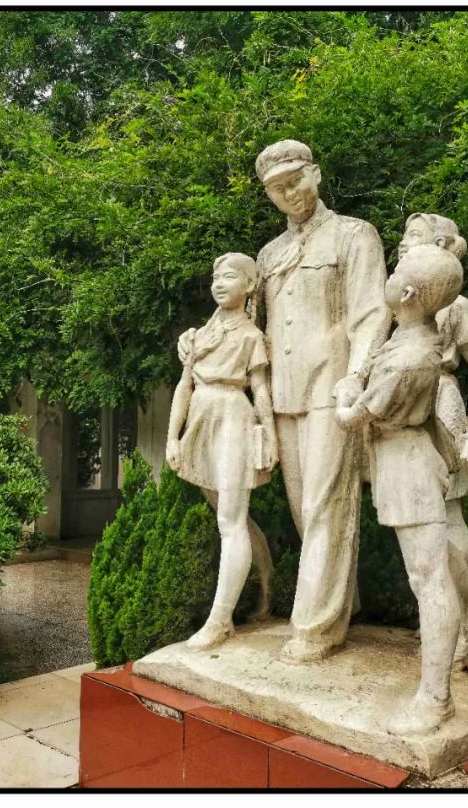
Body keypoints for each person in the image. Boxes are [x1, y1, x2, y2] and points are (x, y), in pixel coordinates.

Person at [224, 139, 390, 664]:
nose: (288, 192)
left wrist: (358, 374)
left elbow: (370, 313)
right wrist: (202, 340)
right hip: (287, 391)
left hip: (331, 383)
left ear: (315, 173)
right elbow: (251, 327)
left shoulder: (353, 235)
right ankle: (345, 602)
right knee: (305, 509)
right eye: (276, 188)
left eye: (295, 179)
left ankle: (316, 626)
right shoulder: (270, 255)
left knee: (324, 504)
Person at [335, 243, 465, 735]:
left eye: (397, 271)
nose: (389, 272)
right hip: (404, 461)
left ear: (407, 291)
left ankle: (436, 699)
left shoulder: (407, 358)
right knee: (432, 575)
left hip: (407, 465)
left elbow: (352, 418)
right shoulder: (414, 336)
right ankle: (443, 680)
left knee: (429, 580)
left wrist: (343, 393)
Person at [397, 213, 468, 668]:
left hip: (440, 408)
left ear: (438, 245)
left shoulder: (454, 306)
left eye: (413, 237)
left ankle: (462, 633)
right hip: (403, 411)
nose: (402, 244)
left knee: (446, 520)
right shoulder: (400, 302)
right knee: (423, 530)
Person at [166, 253, 278, 650]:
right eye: (215, 276)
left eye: (229, 276)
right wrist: (172, 436)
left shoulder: (251, 337)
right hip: (200, 421)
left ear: (249, 286)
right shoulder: (198, 335)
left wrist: (269, 436)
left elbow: (260, 389)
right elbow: (184, 386)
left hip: (234, 418)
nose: (218, 282)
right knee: (231, 518)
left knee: (231, 520)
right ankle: (268, 584)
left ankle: (220, 619)